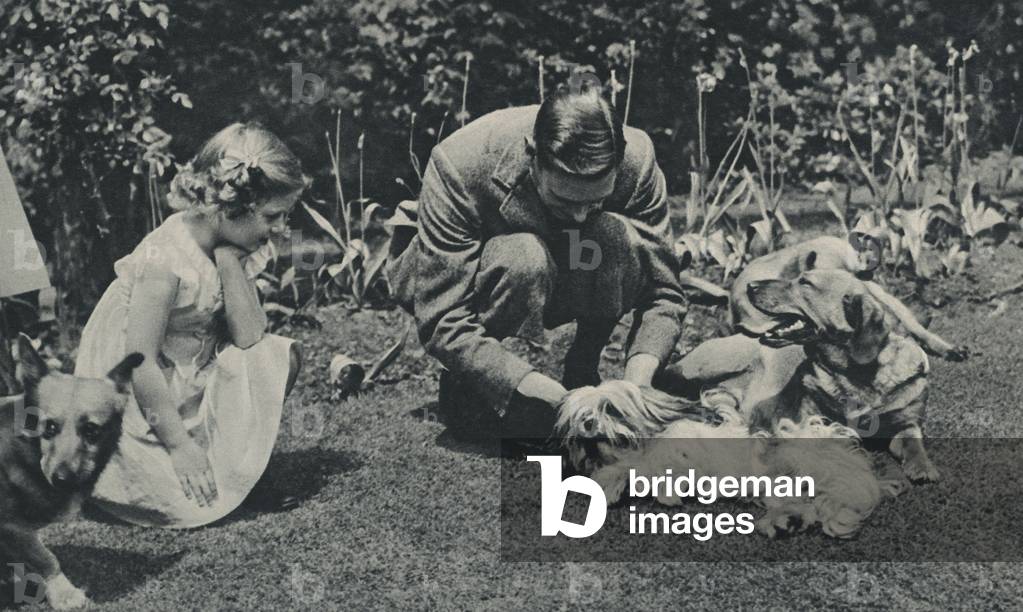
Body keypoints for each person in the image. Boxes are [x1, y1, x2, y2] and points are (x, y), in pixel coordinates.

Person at [389, 83, 686, 437]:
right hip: (469, 273)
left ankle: (583, 368)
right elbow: (444, 318)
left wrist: (636, 392)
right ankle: (473, 387)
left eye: (593, 202)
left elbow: (664, 292)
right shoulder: (459, 162)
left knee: (610, 236)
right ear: (532, 157)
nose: (579, 217)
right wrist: (559, 402)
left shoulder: (638, 160)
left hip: (565, 258)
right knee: (524, 257)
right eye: (565, 200)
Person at [74, 122, 307, 528]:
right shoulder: (164, 262)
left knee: (278, 357)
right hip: (140, 393)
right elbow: (138, 362)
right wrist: (179, 444)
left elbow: (251, 339)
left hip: (191, 371)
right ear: (229, 207)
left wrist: (229, 262)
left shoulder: (236, 245)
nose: (280, 229)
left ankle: (240, 467)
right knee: (180, 498)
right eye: (273, 216)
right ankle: (162, 465)